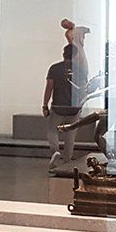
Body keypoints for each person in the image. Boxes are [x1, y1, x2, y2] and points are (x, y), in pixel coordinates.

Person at [43, 42, 84, 172]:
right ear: (75, 55)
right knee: (70, 135)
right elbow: (84, 90)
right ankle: (67, 160)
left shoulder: (54, 68)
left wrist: (45, 105)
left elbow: (49, 88)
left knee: (52, 130)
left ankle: (55, 151)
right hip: (74, 108)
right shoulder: (81, 70)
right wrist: (81, 106)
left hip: (58, 107)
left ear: (63, 54)